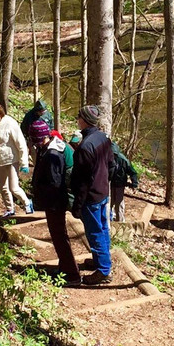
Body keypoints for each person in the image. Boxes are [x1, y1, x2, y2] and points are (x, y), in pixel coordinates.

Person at [29, 120, 79, 284]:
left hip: (55, 202)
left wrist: (45, 198)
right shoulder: (49, 148)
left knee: (59, 237)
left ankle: (72, 275)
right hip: (54, 201)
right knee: (59, 236)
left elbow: (55, 182)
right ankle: (65, 268)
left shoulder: (52, 155)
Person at [70, 105, 113, 285]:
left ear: (84, 120)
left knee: (95, 232)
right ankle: (99, 260)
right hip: (102, 192)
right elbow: (111, 165)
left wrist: (77, 205)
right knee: (102, 229)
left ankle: (103, 270)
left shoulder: (85, 147)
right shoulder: (103, 137)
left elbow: (82, 181)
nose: (77, 120)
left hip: (91, 197)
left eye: (79, 117)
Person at [108, 141, 138, 222]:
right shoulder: (106, 158)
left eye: (114, 154)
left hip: (120, 185)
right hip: (109, 184)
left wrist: (134, 184)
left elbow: (133, 172)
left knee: (119, 204)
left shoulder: (123, 160)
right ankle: (108, 221)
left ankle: (120, 222)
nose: (113, 156)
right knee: (108, 203)